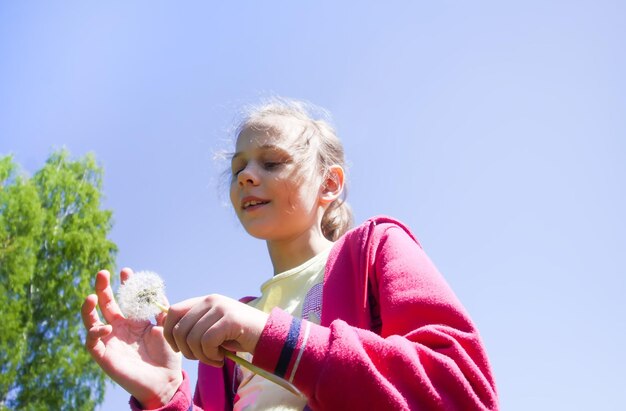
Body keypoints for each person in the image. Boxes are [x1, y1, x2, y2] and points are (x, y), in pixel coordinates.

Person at [81, 98, 498, 410]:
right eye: (238, 166)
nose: (246, 175)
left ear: (329, 184)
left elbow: (461, 390)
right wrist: (166, 396)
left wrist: (269, 338)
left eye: (272, 163)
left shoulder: (374, 251)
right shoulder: (223, 343)